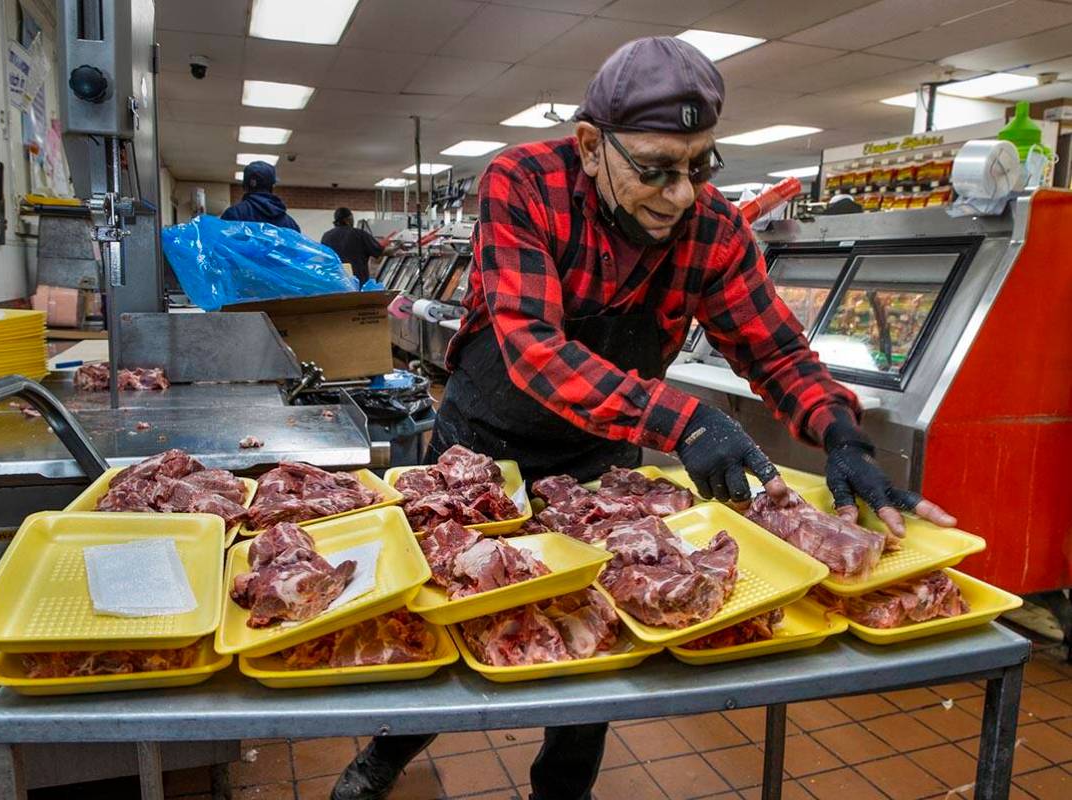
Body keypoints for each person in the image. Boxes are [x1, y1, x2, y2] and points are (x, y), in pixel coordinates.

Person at [331, 36, 956, 800]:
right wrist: (684, 420)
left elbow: (776, 350)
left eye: (701, 166)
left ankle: (563, 791)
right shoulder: (523, 183)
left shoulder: (712, 231)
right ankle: (384, 758)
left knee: (599, 633)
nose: (681, 193)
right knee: (448, 621)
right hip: (480, 459)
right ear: (591, 146)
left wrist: (843, 436)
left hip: (598, 462)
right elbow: (532, 348)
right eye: (656, 169)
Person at [221, 161, 300, 231]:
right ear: (272, 186)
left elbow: (220, 244)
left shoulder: (233, 215)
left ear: (244, 186)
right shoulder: (290, 224)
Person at [321, 207, 388, 284]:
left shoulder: (326, 236)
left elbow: (325, 260)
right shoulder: (359, 234)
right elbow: (380, 251)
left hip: (334, 283)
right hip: (357, 284)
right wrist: (396, 248)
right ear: (347, 220)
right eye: (352, 218)